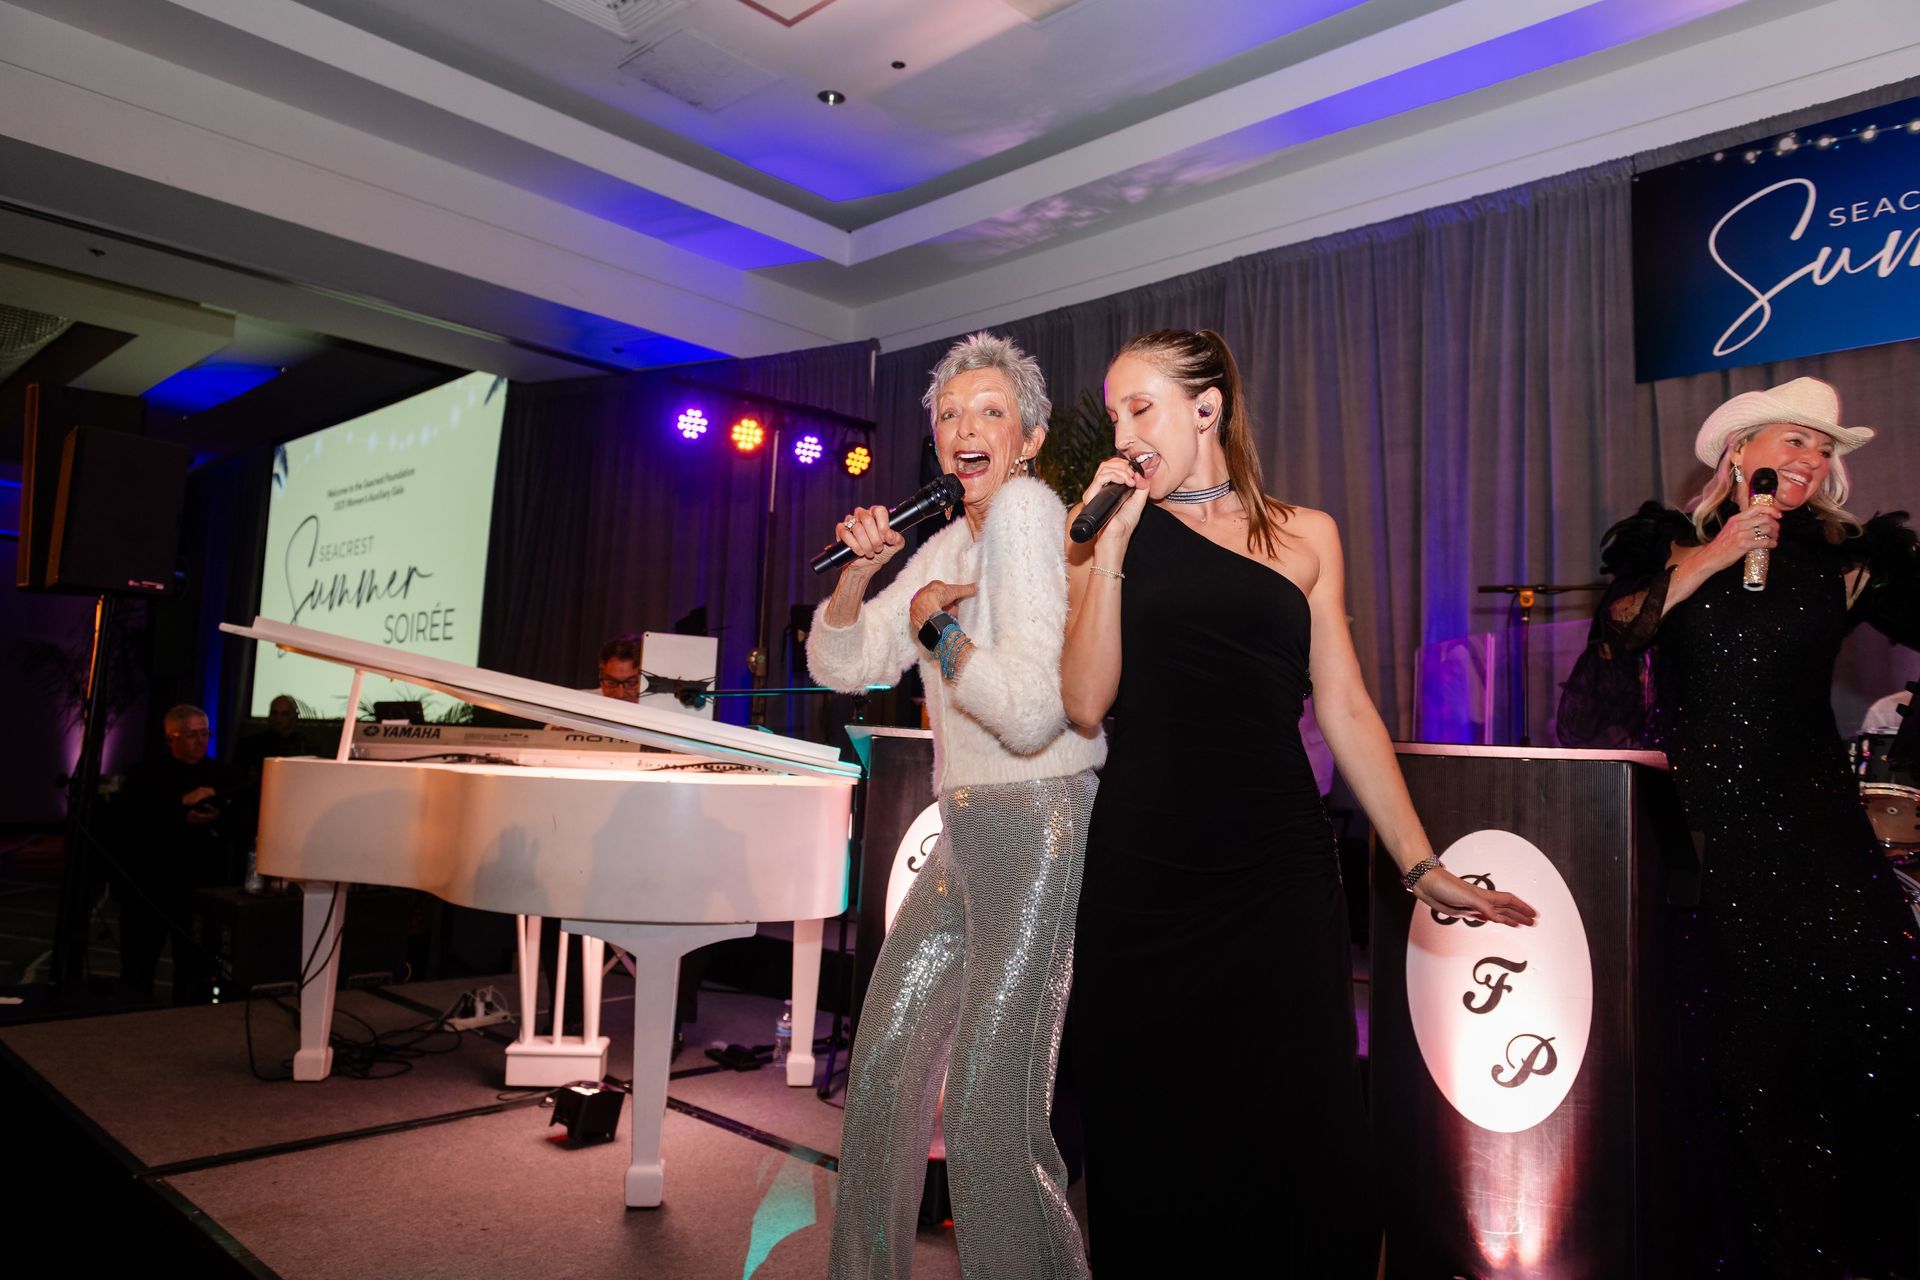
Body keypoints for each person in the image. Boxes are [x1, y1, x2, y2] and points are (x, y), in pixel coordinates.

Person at [1060, 329, 1534, 1276]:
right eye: (1115, 409)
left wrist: (1420, 863)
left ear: (1208, 409)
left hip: (1276, 865)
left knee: (1298, 1112)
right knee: (1150, 1119)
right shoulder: (1104, 524)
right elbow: (1083, 700)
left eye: (1140, 407)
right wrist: (1106, 548)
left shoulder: (1305, 533)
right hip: (1145, 864)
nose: (1123, 428)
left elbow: (1348, 705)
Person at [1565, 376, 1920, 1277]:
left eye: (1822, 448)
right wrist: (1715, 554)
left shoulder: (1844, 563)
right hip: (1712, 838)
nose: (1808, 460)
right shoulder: (1675, 549)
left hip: (1819, 831)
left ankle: (1864, 1239)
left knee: (1876, 1017)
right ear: (1738, 455)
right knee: (1747, 1053)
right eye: (1791, 442)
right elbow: (1607, 663)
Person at [810, 332, 1103, 1279]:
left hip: (1036, 814)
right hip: (969, 824)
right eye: (947, 414)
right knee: (887, 1071)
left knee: (988, 1110)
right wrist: (863, 575)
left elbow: (1028, 710)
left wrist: (936, 626)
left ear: (1029, 436)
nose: (963, 428)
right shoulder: (950, 537)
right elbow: (844, 664)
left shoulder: (1024, 509)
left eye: (988, 411)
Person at [117, 704, 245, 1004]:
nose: (201, 741)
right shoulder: (144, 774)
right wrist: (180, 803)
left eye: (205, 734)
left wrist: (216, 817)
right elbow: (130, 820)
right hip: (150, 885)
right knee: (138, 964)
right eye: (191, 735)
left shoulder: (224, 774)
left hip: (200, 885)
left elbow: (242, 822)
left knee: (195, 968)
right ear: (170, 737)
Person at [231, 695, 314, 782]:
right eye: (274, 713)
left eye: (284, 714)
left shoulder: (307, 747)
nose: (278, 719)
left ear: (294, 717)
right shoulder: (249, 746)